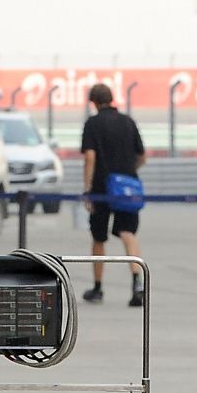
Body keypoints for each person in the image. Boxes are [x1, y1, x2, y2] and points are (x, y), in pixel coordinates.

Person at [80, 83, 146, 307]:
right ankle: (137, 283)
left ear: (94, 102)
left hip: (101, 188)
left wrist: (88, 189)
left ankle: (98, 288)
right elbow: (142, 156)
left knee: (99, 236)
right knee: (128, 232)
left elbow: (90, 157)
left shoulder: (92, 124)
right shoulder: (128, 121)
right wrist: (128, 172)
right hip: (127, 186)